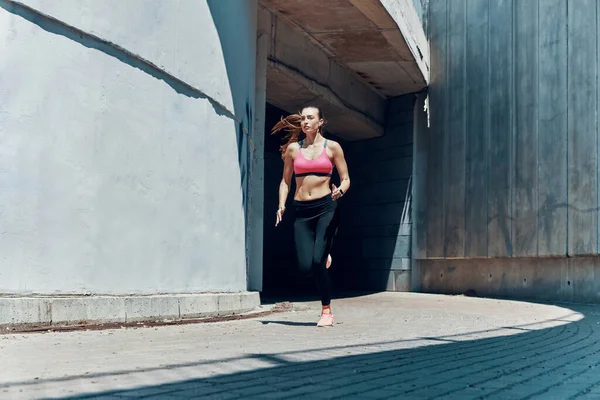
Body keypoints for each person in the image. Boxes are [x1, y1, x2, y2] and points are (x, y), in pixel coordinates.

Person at [271, 106, 350, 327]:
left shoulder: (333, 148)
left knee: (316, 263)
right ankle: (322, 255)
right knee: (306, 267)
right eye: (303, 118)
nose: (305, 121)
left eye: (310, 118)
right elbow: (285, 181)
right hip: (301, 210)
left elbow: (346, 179)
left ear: (320, 122)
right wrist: (281, 204)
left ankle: (326, 311)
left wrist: (340, 191)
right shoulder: (293, 150)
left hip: (326, 207)